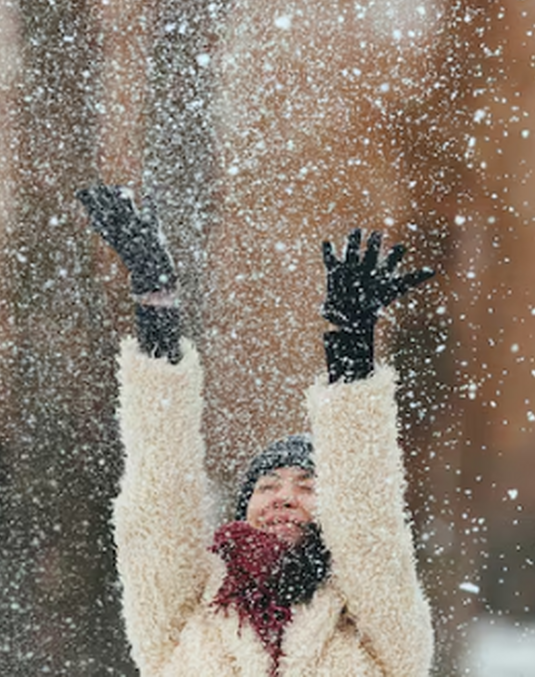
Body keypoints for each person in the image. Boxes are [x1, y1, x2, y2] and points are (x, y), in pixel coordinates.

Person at [77, 183, 436, 677]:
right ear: (243, 509)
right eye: (267, 486)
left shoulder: (374, 627)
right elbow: (159, 502)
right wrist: (155, 305)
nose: (283, 497)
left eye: (307, 486)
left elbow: (368, 521)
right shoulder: (188, 613)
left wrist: (351, 354)